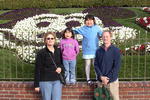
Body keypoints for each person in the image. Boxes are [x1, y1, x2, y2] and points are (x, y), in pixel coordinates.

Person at [34, 32, 64, 100]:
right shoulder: (41, 53)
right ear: (45, 40)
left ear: (54, 40)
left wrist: (60, 68)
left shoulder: (58, 51)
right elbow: (37, 69)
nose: (50, 40)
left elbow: (62, 64)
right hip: (45, 81)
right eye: (48, 38)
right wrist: (36, 85)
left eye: (52, 38)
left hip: (57, 80)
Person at [74, 14, 103, 84]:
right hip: (87, 50)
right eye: (87, 20)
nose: (89, 22)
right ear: (85, 21)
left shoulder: (97, 28)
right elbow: (74, 31)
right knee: (87, 64)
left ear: (93, 21)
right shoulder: (83, 28)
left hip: (96, 50)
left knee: (95, 65)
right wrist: (67, 31)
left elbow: (102, 34)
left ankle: (98, 78)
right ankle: (88, 79)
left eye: (90, 20)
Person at [94, 30, 121, 100]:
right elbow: (96, 65)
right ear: (102, 38)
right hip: (101, 82)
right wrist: (101, 77)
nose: (105, 38)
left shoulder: (116, 50)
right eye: (104, 37)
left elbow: (116, 66)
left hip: (112, 82)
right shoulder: (98, 51)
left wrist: (108, 78)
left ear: (110, 37)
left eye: (107, 36)